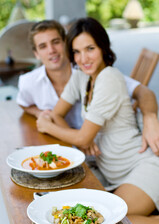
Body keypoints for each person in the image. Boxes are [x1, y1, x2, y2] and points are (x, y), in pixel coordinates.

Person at [37, 17, 159, 224]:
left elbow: (60, 126)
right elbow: (57, 114)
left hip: (142, 167)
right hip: (112, 171)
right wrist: (81, 137)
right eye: (77, 51)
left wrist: (78, 136)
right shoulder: (81, 77)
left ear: (103, 47)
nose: (83, 58)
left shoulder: (109, 78)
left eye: (90, 48)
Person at [16, 20, 159, 154]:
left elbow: (144, 92)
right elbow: (23, 103)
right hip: (76, 146)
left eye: (56, 42)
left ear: (66, 44)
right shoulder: (30, 81)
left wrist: (150, 117)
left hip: (103, 148)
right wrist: (39, 113)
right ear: (36, 54)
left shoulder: (90, 69)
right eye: (43, 46)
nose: (51, 50)